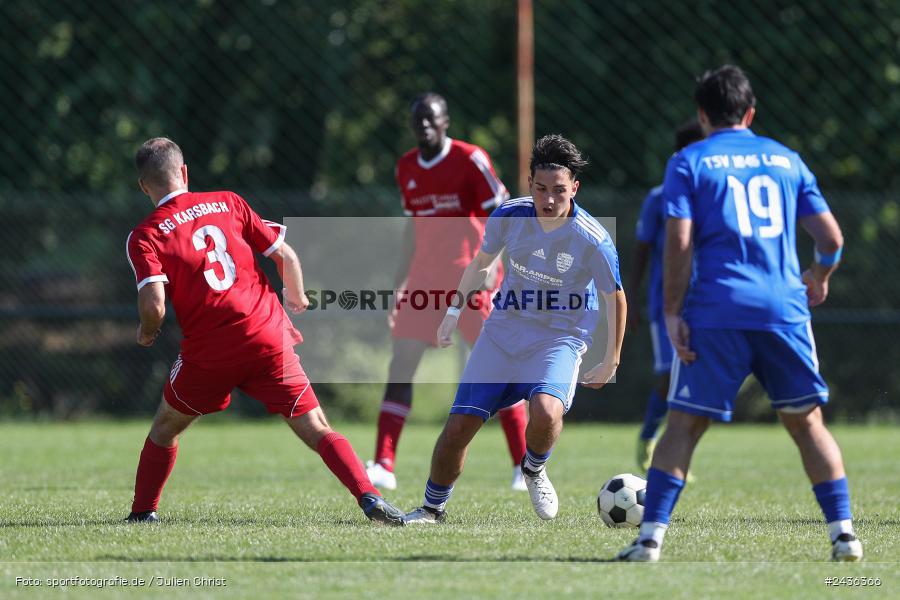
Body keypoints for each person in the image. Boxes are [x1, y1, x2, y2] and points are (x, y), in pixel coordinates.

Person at [617, 65, 863, 562]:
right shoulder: (787, 160)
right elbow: (831, 240)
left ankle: (649, 540)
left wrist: (670, 311)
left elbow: (680, 243)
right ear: (750, 113)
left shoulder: (688, 162)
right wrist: (821, 274)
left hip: (717, 311)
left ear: (702, 115)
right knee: (808, 423)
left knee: (683, 425)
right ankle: (844, 536)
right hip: (783, 310)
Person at [124, 137, 404, 526]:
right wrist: (297, 295)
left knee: (165, 427)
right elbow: (285, 255)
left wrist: (146, 332)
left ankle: (142, 512)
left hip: (210, 353)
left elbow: (154, 305)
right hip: (267, 337)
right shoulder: (229, 202)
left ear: (143, 186)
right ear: (185, 172)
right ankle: (369, 497)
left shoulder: (146, 234)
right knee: (316, 426)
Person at [404, 134, 626, 524]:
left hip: (560, 337)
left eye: (559, 190)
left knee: (545, 410)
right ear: (530, 184)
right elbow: (480, 263)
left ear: (575, 188)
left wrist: (611, 359)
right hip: (503, 332)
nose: (549, 199)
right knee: (459, 426)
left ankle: (534, 468)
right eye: (541, 189)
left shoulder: (594, 239)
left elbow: (615, 298)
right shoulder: (509, 216)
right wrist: (453, 313)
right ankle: (431, 509)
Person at [366, 93, 529, 492]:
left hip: (469, 278)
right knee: (400, 363)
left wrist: (492, 264)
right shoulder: (406, 167)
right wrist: (399, 281)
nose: (424, 125)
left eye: (431, 119)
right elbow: (412, 228)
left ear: (445, 123)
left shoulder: (470, 159)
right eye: (417, 119)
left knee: (499, 366)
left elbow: (503, 211)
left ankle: (523, 466)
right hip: (424, 281)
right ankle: (384, 462)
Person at [627, 120, 705, 471]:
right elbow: (642, 250)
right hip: (667, 302)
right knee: (668, 375)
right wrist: (629, 298)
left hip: (706, 303)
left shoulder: (713, 193)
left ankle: (677, 456)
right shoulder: (660, 198)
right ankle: (649, 438)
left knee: (694, 375)